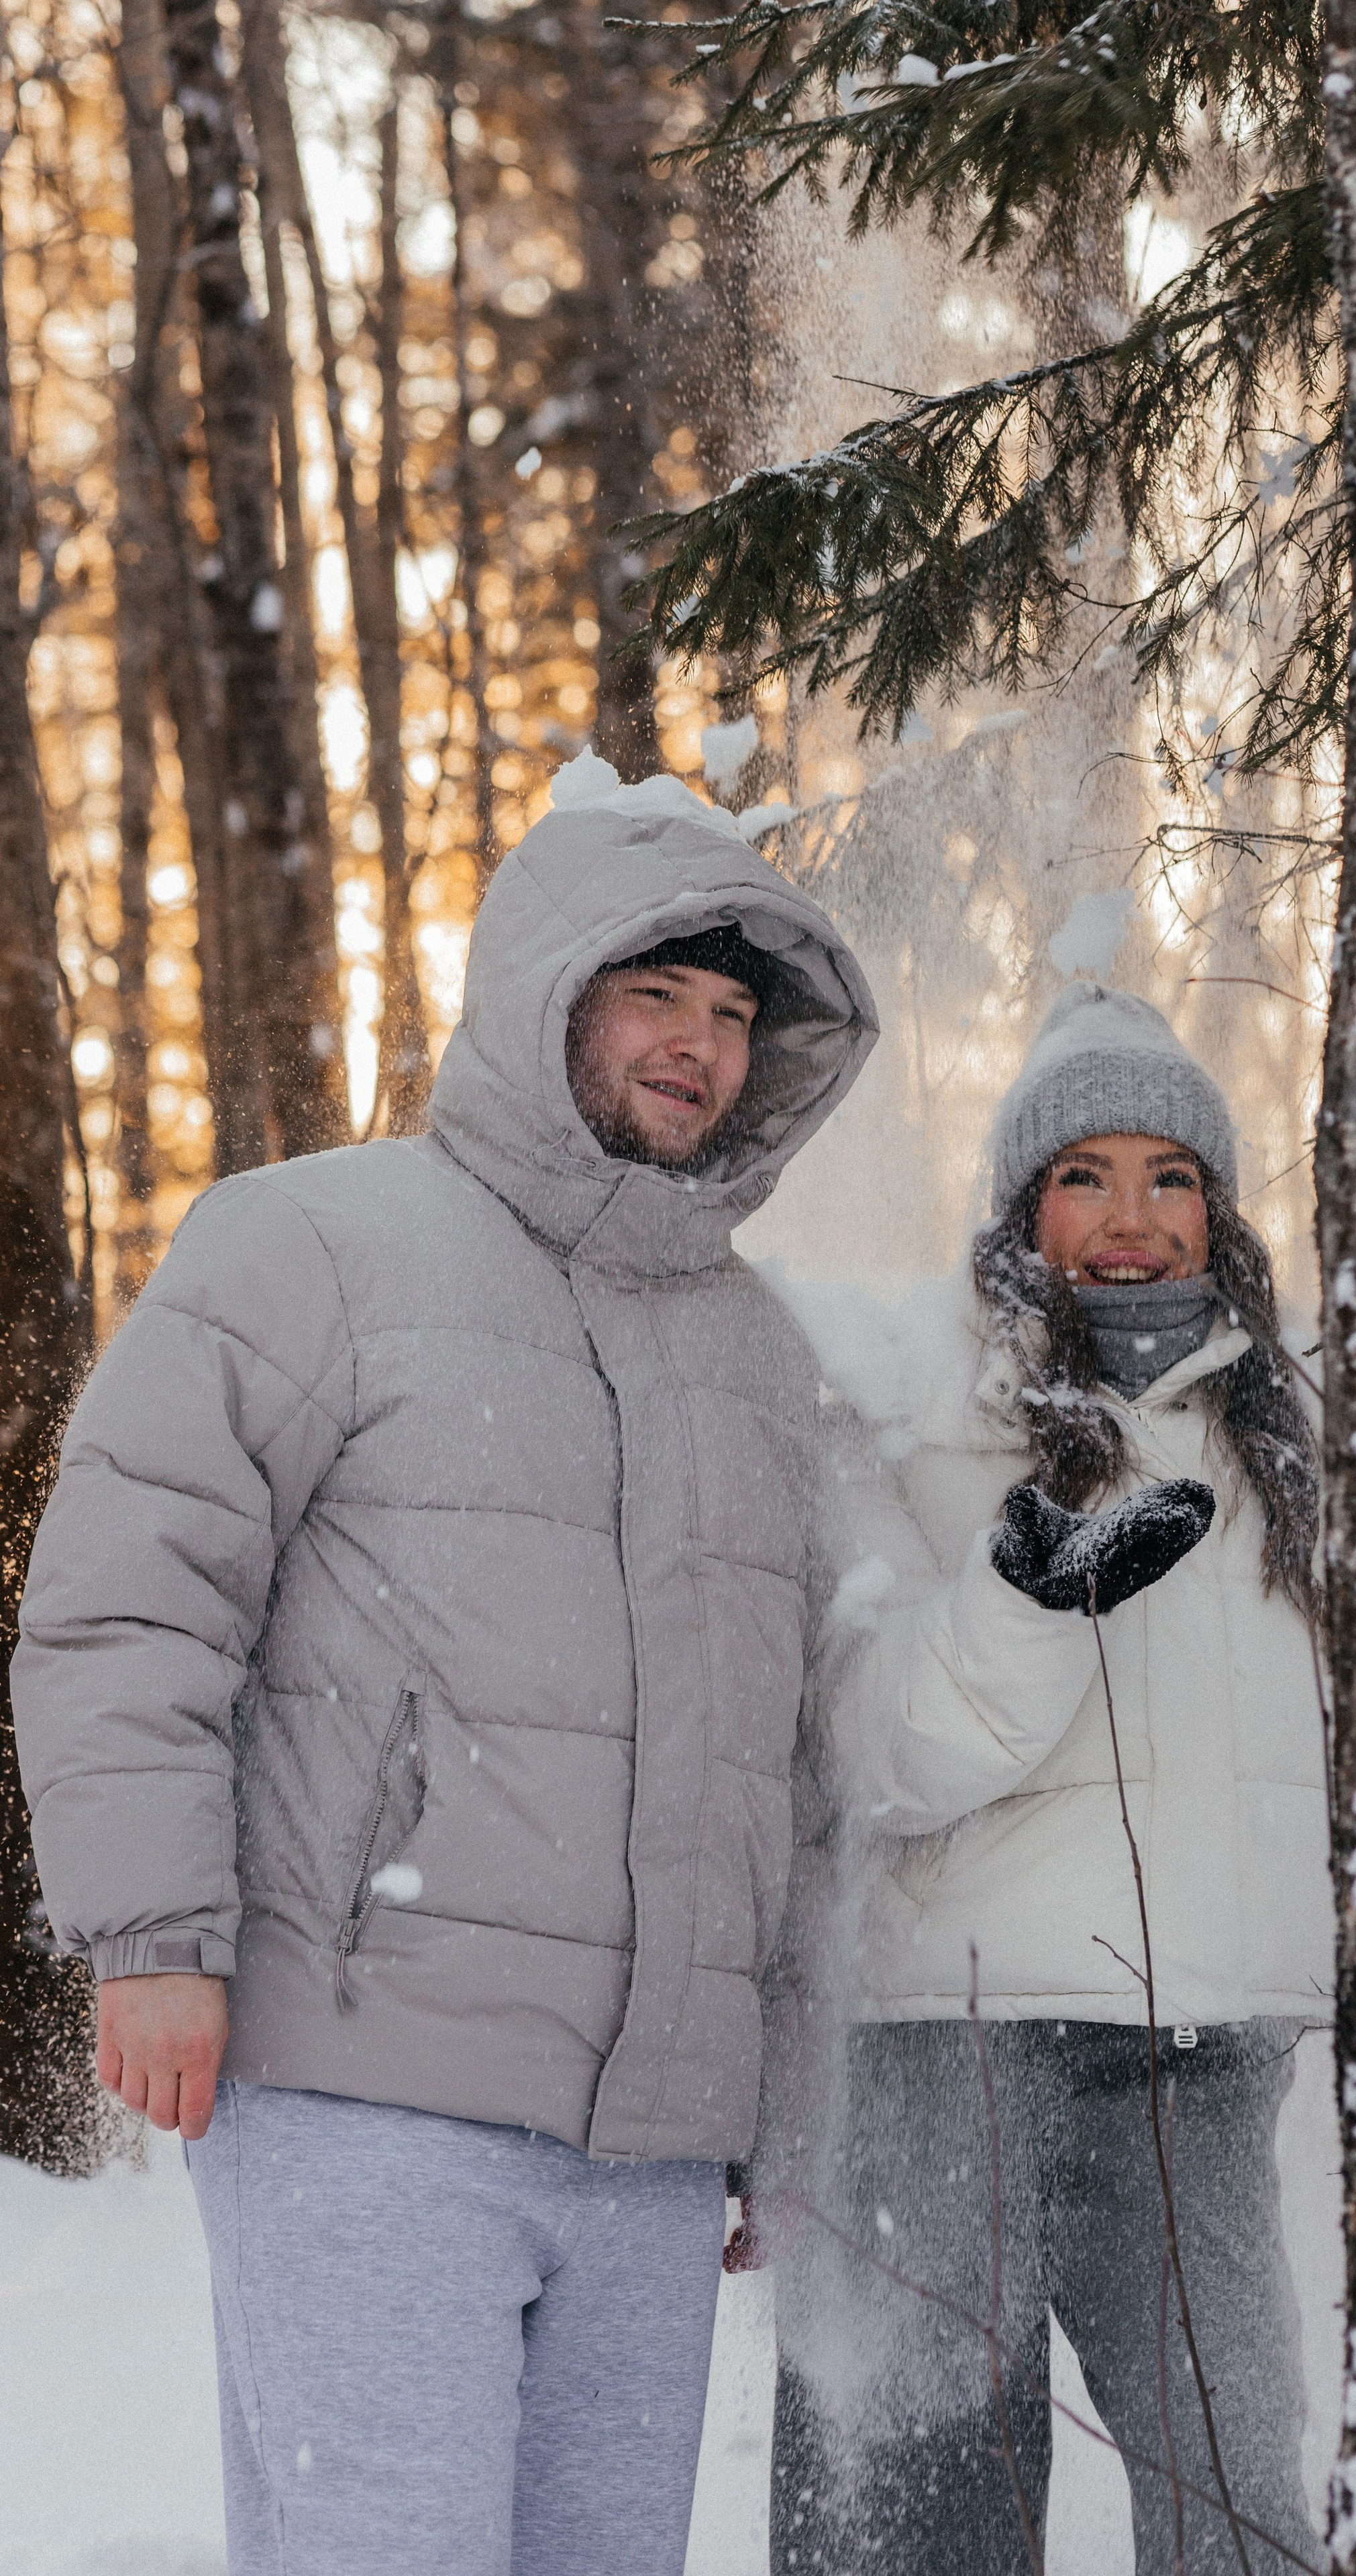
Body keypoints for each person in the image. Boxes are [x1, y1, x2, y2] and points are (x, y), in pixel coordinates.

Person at [13, 749, 878, 2576]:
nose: (697, 1045)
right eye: (655, 989)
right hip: (365, 2097)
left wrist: (772, 2100)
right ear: (547, 987)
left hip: (649, 2156)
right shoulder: (313, 1244)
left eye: (731, 1013)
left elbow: (791, 1765)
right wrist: (152, 1938)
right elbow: (128, 1593)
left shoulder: (759, 1356)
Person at [763, 978, 1356, 2576]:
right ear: (1019, 1208)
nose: (1127, 1220)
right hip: (940, 2044)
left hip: (1196, 2053)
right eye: (1081, 1179)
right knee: (918, 2505)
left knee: (1235, 2493)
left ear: (1216, 1211)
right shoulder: (911, 1407)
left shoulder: (1289, 1430)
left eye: (1168, 1178)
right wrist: (1029, 1603)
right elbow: (871, 1759)